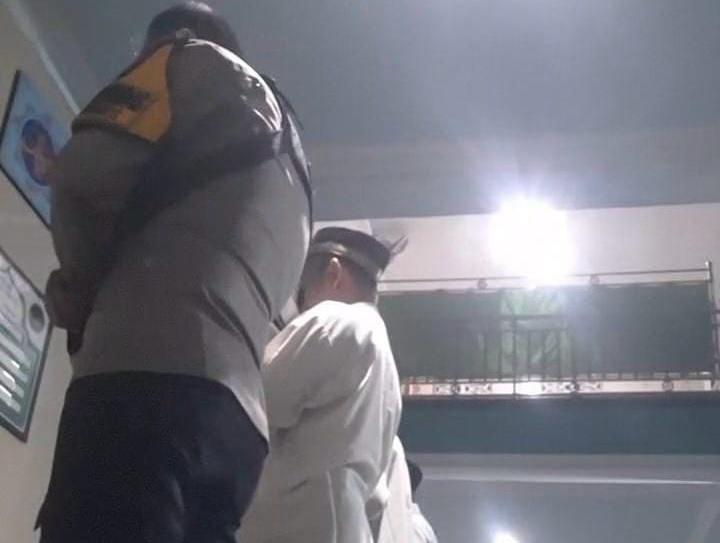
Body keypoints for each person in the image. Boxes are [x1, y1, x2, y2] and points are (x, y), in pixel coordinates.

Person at [38, 2, 311, 541]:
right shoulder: (299, 171)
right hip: (238, 429)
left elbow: (80, 175)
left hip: (145, 377)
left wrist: (76, 300)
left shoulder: (184, 58)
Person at [238, 227, 403, 543]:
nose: (302, 311)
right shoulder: (386, 366)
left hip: (303, 524)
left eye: (303, 296)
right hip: (346, 523)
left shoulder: (336, 319)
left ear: (333, 273)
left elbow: (259, 402)